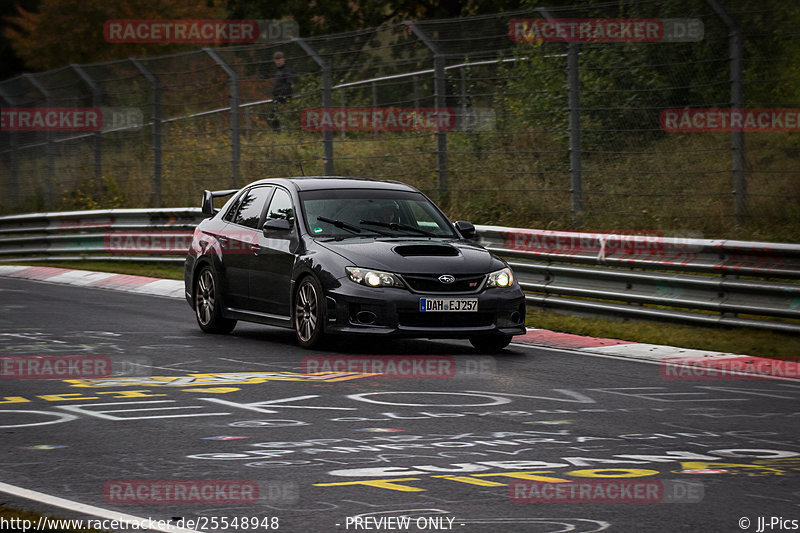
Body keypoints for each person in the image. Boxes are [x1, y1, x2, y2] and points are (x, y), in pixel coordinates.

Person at [269, 51, 293, 131]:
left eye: (279, 60)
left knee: (276, 116)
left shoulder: (286, 70)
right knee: (273, 117)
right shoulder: (278, 71)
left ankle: (280, 133)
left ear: (283, 60)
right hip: (277, 97)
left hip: (282, 97)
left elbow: (288, 83)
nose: (278, 62)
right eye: (276, 60)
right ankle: (277, 133)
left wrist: (281, 95)